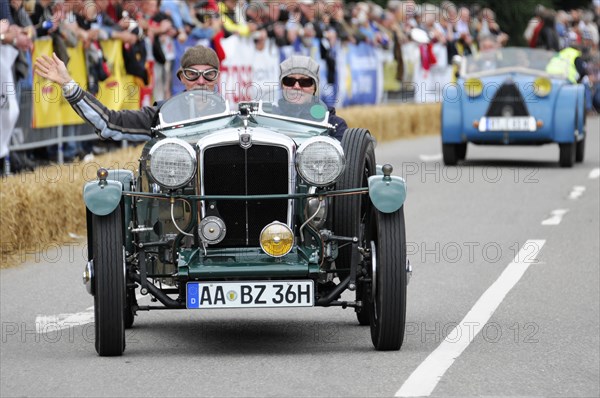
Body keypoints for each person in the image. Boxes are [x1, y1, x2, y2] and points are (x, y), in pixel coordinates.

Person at [34, 45, 221, 141]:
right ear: (181, 78)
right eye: (192, 74)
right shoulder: (163, 116)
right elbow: (109, 122)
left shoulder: (233, 119)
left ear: (217, 78)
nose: (201, 81)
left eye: (209, 74)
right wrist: (68, 84)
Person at [278, 55, 347, 141]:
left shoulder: (334, 126)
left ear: (314, 87)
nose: (296, 86)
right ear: (282, 85)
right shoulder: (266, 118)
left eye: (304, 82)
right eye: (289, 81)